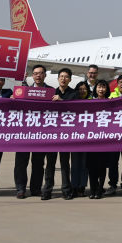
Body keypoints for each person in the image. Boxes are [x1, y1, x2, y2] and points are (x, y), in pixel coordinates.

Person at [13, 65, 51, 199]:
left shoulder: (51, 92)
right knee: (21, 162)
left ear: (45, 75)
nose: (38, 76)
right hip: (24, 132)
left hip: (41, 133)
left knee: (38, 163)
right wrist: (12, 99)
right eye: (35, 73)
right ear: (32, 76)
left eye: (40, 73)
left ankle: (35, 189)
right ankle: (20, 189)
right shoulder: (24, 91)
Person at [41, 68, 77, 200]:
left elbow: (75, 109)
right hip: (52, 134)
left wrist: (61, 100)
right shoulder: (51, 92)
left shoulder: (74, 94)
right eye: (61, 76)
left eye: (66, 77)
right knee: (50, 164)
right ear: (58, 79)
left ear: (70, 79)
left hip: (66, 135)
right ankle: (47, 190)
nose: (63, 79)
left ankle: (66, 190)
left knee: (65, 164)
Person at [85, 80, 112, 199]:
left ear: (107, 89)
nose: (101, 89)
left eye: (103, 87)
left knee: (102, 166)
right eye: (99, 87)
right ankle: (93, 189)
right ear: (95, 89)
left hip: (104, 140)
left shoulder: (111, 102)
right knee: (91, 167)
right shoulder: (89, 102)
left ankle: (100, 189)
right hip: (91, 140)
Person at [69, 81, 91, 197]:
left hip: (88, 139)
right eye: (80, 89)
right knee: (75, 164)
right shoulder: (73, 102)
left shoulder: (92, 102)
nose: (82, 91)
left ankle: (82, 186)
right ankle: (74, 186)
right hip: (75, 138)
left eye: (84, 89)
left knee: (84, 164)